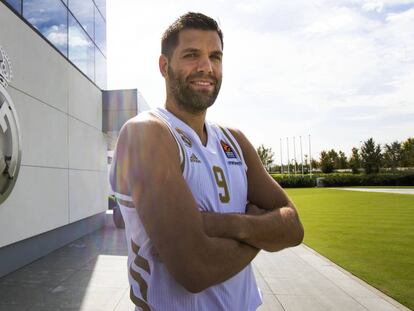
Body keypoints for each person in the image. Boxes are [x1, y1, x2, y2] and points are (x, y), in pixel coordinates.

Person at [110, 12, 304, 311]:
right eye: (191, 55)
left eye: (215, 56)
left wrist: (223, 224)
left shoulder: (234, 140)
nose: (206, 67)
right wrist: (260, 231)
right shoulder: (146, 133)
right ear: (165, 66)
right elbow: (195, 269)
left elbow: (293, 227)